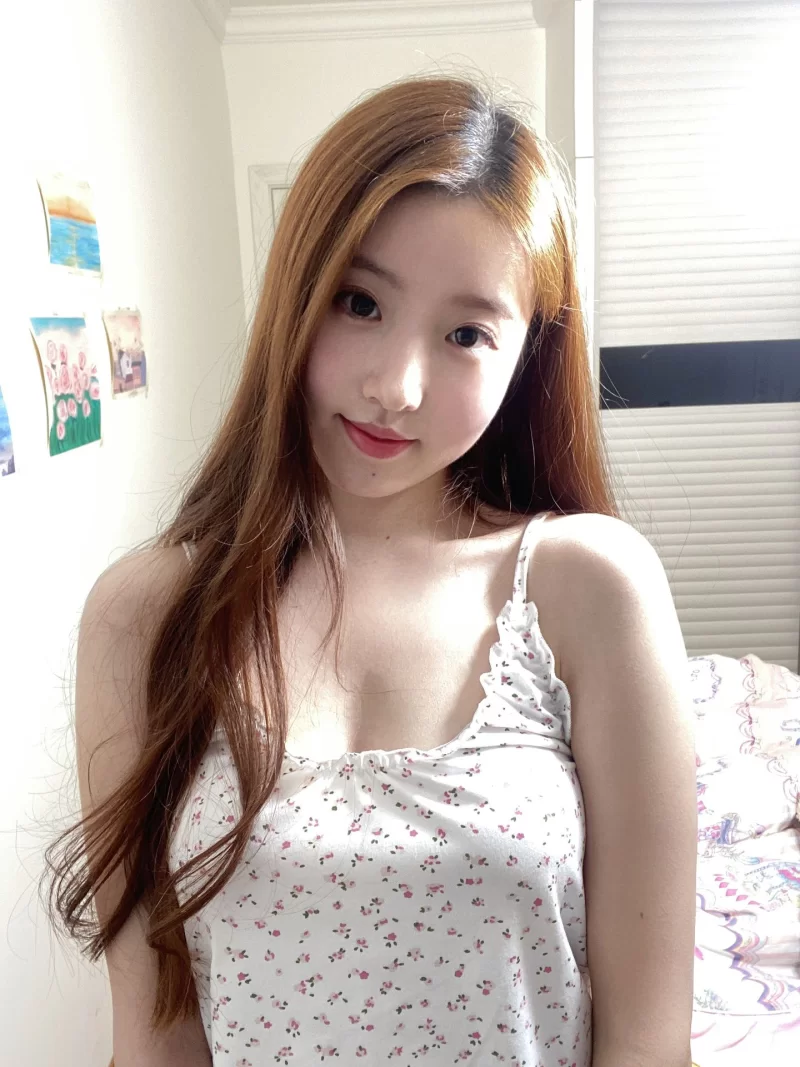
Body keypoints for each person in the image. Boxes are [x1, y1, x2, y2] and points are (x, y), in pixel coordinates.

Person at [45, 75, 698, 1067]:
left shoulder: (585, 586)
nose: (396, 386)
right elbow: (154, 1037)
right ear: (296, 294)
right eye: (360, 302)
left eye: (466, 333)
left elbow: (647, 1042)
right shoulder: (146, 613)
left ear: (526, 355)